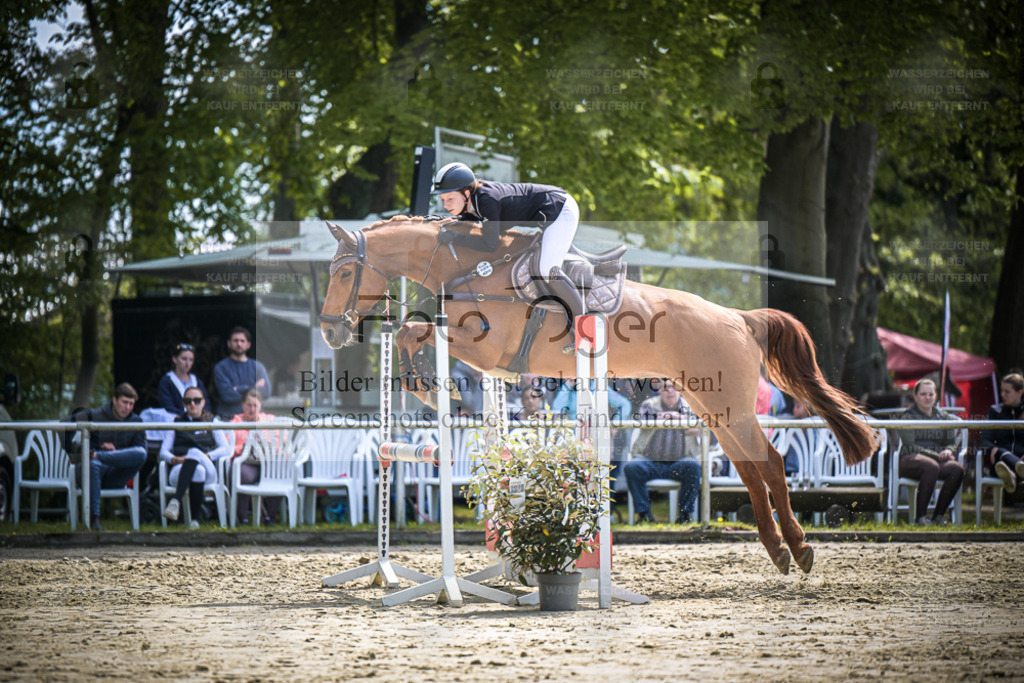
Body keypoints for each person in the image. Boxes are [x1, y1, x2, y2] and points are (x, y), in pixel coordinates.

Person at [431, 162, 583, 353]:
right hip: (549, 211)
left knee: (547, 269)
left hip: (560, 210)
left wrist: (455, 238)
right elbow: (473, 223)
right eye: (443, 200)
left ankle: (584, 330)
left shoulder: (487, 199)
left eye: (450, 199)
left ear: (467, 193)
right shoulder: (476, 199)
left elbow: (490, 244)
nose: (446, 205)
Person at [64, 383, 147, 530]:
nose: (127, 407)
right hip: (88, 471)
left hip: (117, 474)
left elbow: (139, 452)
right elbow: (64, 425)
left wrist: (109, 454)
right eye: (124, 402)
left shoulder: (137, 422)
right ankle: (94, 519)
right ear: (114, 400)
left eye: (131, 404)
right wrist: (77, 453)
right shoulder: (94, 416)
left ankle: (99, 456)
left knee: (141, 453)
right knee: (94, 464)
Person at [624, 381, 701, 524]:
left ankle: (685, 516)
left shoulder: (689, 407)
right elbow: (644, 419)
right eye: (665, 388)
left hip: (678, 464)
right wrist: (671, 416)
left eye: (673, 387)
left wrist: (679, 418)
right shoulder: (649, 404)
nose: (670, 391)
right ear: (659, 390)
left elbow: (699, 428)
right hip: (649, 462)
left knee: (694, 467)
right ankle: (644, 517)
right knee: (632, 467)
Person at [896, 378, 965, 525]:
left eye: (930, 394)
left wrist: (948, 450)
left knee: (957, 469)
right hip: (910, 460)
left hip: (935, 462)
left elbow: (951, 442)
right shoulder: (907, 416)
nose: (927, 398)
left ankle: (938, 516)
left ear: (935, 396)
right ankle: (920, 518)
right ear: (915, 396)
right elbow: (910, 445)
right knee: (931, 465)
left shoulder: (944, 417)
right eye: (923, 394)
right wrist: (938, 456)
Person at [160, 386, 230, 527]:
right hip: (179, 469)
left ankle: (175, 501)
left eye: (197, 400)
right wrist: (176, 459)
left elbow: (226, 449)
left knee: (194, 452)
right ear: (183, 403)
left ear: (203, 402)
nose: (192, 404)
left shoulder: (211, 421)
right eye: (188, 401)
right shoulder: (176, 422)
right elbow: (163, 452)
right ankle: (194, 521)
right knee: (198, 471)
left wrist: (205, 455)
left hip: (208, 470)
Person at [228, 388, 281, 524]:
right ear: (242, 405)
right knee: (241, 474)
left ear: (260, 406)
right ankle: (242, 518)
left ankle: (270, 517)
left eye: (255, 405)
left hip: (268, 464)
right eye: (248, 405)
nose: (252, 409)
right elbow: (228, 448)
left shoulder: (270, 421)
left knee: (280, 472)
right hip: (246, 464)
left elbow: (281, 441)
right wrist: (246, 446)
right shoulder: (234, 423)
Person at [980, 372, 1024, 493]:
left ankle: (1013, 475)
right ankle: (1018, 471)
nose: (1002, 395)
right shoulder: (995, 411)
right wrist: (992, 448)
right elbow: (984, 440)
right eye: (1002, 391)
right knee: (1000, 453)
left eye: (1007, 391)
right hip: (1000, 463)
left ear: (1020, 392)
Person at [213, 326, 271, 418]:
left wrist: (238, 389)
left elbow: (266, 392)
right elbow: (227, 396)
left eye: (242, 341)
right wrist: (253, 388)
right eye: (235, 340)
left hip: (255, 420)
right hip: (228, 418)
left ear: (248, 344)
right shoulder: (221, 367)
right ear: (229, 343)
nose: (239, 344)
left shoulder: (258, 367)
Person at [156, 343, 211, 416]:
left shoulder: (197, 381)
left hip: (198, 421)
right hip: (175, 422)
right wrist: (186, 416)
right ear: (175, 359)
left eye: (191, 360)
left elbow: (206, 404)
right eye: (184, 359)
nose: (188, 363)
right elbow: (167, 406)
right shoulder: (167, 381)